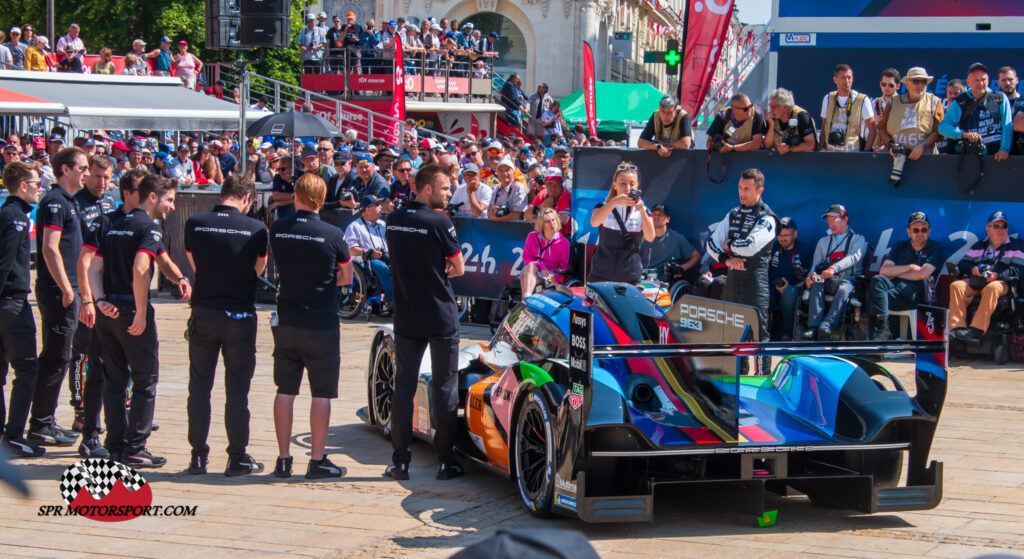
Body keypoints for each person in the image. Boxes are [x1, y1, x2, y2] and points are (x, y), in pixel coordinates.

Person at [88, 175, 180, 467]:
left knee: (115, 381)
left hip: (108, 312)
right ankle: (135, 449)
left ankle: (115, 447)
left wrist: (100, 300)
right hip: (130, 313)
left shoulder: (115, 226)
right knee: (144, 380)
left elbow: (94, 268)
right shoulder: (148, 228)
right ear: (152, 198)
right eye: (169, 200)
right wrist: (140, 312)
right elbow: (142, 269)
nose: (172, 207)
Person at [384, 164, 465, 481]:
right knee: (445, 388)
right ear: (427, 189)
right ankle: (446, 461)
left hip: (407, 313)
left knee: (403, 386)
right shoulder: (440, 222)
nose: (449, 193)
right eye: (445, 188)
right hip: (440, 314)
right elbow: (458, 268)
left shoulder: (394, 220)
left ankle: (400, 462)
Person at [184, 174, 268, 477]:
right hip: (240, 315)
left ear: (223, 194)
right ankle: (237, 457)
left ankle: (197, 456)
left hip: (205, 311)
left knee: (199, 388)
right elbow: (257, 269)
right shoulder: (257, 228)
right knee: (237, 391)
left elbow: (194, 263)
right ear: (247, 198)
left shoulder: (195, 222)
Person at [268, 173, 351, 479]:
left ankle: (283, 460)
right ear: (321, 197)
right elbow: (346, 276)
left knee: (285, 390)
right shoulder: (333, 234)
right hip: (321, 322)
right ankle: (316, 460)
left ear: (297, 195)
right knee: (322, 393)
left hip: (288, 319)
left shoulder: (279, 228)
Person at [27, 147, 89, 448]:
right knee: (56, 356)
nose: (86, 173)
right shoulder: (54, 202)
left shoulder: (67, 201)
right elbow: (50, 248)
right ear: (65, 169)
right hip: (58, 291)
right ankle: (40, 423)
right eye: (82, 167)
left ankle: (45, 420)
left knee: (61, 355)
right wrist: (66, 287)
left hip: (69, 289)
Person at [706, 168, 778, 374]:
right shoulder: (733, 213)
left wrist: (730, 245)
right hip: (733, 280)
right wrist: (725, 258)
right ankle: (738, 372)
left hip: (755, 280)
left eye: (747, 189)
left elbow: (751, 246)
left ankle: (763, 375)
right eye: (740, 188)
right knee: (732, 330)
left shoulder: (768, 217)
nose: (742, 192)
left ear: (759, 190)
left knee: (759, 330)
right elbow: (711, 243)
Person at [66, 155, 117, 433]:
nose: (102, 182)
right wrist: (85, 296)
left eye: (107, 177)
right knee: (83, 352)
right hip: (83, 286)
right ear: (87, 175)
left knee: (111, 351)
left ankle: (120, 408)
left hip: (107, 286)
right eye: (97, 176)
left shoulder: (110, 202)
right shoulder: (76, 203)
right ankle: (80, 410)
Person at [0, 161, 45, 458]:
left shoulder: (8, 213)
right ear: (22, 186)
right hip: (11, 302)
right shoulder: (15, 218)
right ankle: (14, 434)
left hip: (7, 302)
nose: (39, 188)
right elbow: (4, 264)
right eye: (36, 183)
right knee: (27, 369)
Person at [948, 211, 1024, 345]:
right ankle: (957, 329)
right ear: (988, 229)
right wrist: (974, 270)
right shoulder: (980, 245)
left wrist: (997, 275)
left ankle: (976, 331)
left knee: (992, 287)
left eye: (1003, 226)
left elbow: (1018, 270)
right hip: (978, 282)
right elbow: (964, 264)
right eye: (996, 226)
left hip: (1001, 284)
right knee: (956, 286)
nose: (1000, 230)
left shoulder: (1016, 246)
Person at [868, 211, 944, 341]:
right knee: (877, 281)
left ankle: (880, 334)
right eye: (916, 230)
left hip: (917, 295)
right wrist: (909, 267)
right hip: (896, 291)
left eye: (924, 229)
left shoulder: (935, 248)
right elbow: (884, 271)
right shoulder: (900, 246)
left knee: (873, 295)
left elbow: (923, 274)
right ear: (909, 232)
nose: (920, 233)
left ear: (929, 231)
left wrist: (897, 272)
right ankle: (883, 331)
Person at [802, 204, 867, 340]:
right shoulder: (823, 241)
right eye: (829, 221)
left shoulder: (858, 239)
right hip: (826, 280)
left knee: (844, 289)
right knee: (816, 282)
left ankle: (827, 326)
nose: (831, 224)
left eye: (835, 220)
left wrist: (833, 268)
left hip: (848, 279)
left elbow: (853, 257)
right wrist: (810, 276)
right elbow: (816, 264)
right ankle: (813, 327)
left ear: (845, 219)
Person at [588, 162, 655, 284]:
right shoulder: (603, 206)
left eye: (632, 184)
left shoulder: (644, 211)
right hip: (601, 273)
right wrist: (613, 203)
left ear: (637, 186)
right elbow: (594, 223)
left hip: (630, 275)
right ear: (615, 185)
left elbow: (650, 237)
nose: (628, 188)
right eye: (623, 183)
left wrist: (642, 212)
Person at [939, 62, 1012, 160]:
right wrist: (963, 134)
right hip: (971, 157)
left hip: (997, 156)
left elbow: (1007, 125)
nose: (981, 84)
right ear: (968, 82)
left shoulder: (999, 98)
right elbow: (943, 127)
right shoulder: (961, 101)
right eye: (976, 80)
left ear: (988, 80)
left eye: (983, 79)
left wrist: (1004, 149)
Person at [876, 67, 945, 160]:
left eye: (923, 82)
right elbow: (882, 128)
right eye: (916, 81)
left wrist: (923, 146)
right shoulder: (893, 102)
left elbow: (939, 130)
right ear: (907, 84)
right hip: (895, 159)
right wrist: (891, 145)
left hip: (926, 159)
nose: (920, 85)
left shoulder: (934, 102)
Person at [768, 217, 811, 341]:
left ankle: (787, 334)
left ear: (795, 234)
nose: (783, 238)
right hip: (774, 286)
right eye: (780, 235)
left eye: (786, 235)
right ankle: (762, 332)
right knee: (762, 291)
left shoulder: (805, 250)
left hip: (795, 288)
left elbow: (809, 277)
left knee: (789, 293)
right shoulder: (774, 247)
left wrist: (789, 287)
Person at [344, 195, 393, 304]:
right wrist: (369, 252)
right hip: (365, 261)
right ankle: (393, 301)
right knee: (382, 268)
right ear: (366, 209)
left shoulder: (383, 224)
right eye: (376, 205)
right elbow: (350, 248)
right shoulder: (355, 226)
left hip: (384, 256)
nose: (380, 207)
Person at [819, 64, 875, 152]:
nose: (847, 81)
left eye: (849, 77)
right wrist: (821, 148)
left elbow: (872, 129)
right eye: (843, 78)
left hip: (853, 154)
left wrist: (866, 151)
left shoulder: (862, 100)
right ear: (835, 79)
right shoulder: (828, 98)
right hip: (830, 154)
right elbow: (824, 127)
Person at [641, 204, 700, 282]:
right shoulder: (641, 236)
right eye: (653, 214)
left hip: (663, 280)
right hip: (641, 276)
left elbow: (696, 256)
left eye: (661, 215)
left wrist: (681, 268)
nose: (656, 217)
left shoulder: (676, 238)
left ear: (668, 219)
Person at [521, 207, 570, 296]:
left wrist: (555, 278)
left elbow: (563, 268)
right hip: (533, 269)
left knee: (525, 278)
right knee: (531, 267)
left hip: (550, 273)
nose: (552, 223)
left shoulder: (563, 242)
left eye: (553, 220)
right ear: (542, 224)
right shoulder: (532, 236)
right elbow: (526, 257)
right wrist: (541, 265)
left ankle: (525, 300)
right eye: (548, 221)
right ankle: (527, 299)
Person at [764, 88, 817, 154]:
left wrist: (789, 149)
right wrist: (771, 125)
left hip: (803, 161)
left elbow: (811, 145)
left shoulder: (801, 116)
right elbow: (767, 146)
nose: (771, 110)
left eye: (774, 107)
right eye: (770, 106)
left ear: (785, 107)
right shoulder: (772, 118)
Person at [524, 167, 571, 235]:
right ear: (545, 183)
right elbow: (526, 215)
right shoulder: (543, 193)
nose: (553, 187)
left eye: (556, 183)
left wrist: (537, 218)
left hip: (563, 237)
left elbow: (563, 219)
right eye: (549, 183)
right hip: (545, 236)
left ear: (561, 183)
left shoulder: (566, 194)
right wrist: (542, 206)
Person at [486, 158, 528, 222]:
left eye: (507, 170)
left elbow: (517, 215)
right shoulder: (496, 189)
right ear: (497, 174)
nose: (504, 173)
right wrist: (495, 210)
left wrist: (496, 219)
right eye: (501, 171)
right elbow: (489, 212)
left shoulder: (518, 188)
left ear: (514, 173)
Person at [870, 68, 901, 150]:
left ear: (898, 86)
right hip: (876, 150)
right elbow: (865, 130)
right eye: (884, 84)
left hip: (896, 149)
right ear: (880, 84)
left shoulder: (902, 103)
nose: (886, 88)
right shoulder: (874, 103)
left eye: (891, 85)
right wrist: (873, 123)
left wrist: (887, 145)